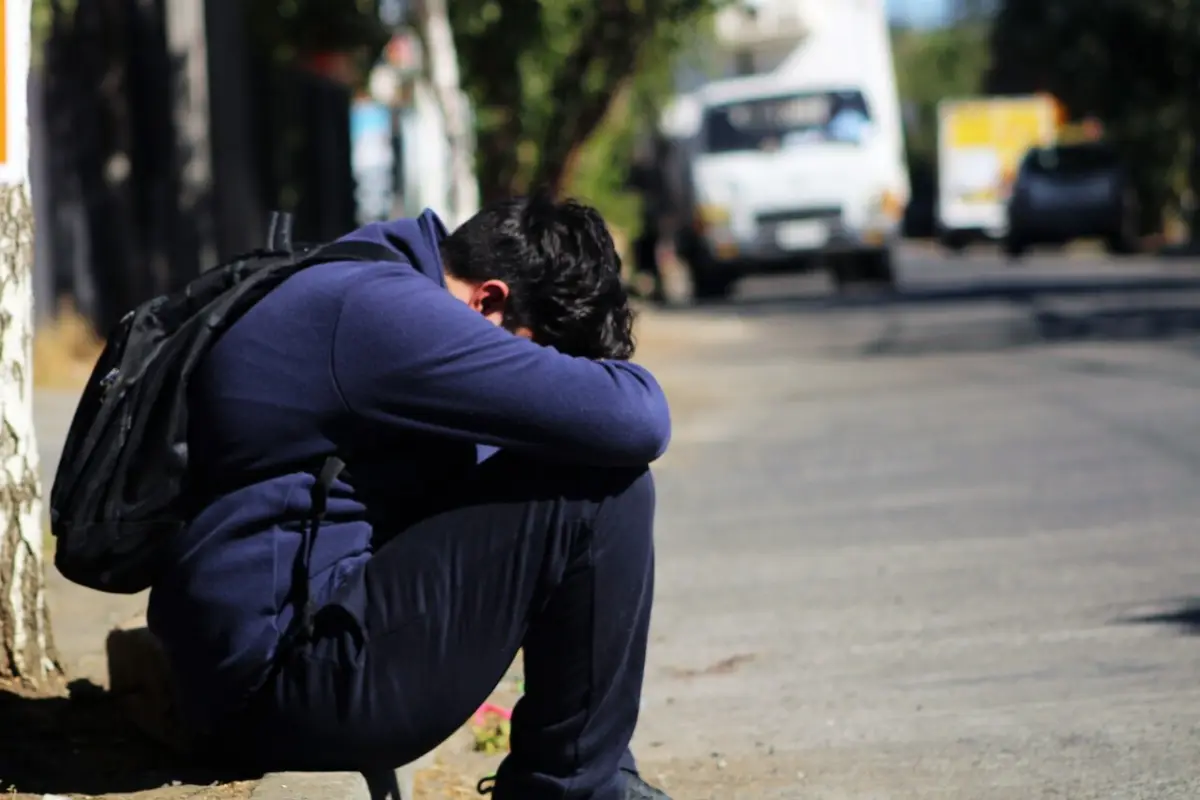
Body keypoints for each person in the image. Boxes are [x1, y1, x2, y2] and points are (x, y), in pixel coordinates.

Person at [145, 193, 673, 800]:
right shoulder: (384, 311)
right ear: (489, 301)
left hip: (258, 674)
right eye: (526, 350)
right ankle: (577, 791)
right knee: (601, 488)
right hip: (280, 688)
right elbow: (638, 420)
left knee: (559, 460)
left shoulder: (367, 280)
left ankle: (590, 774)